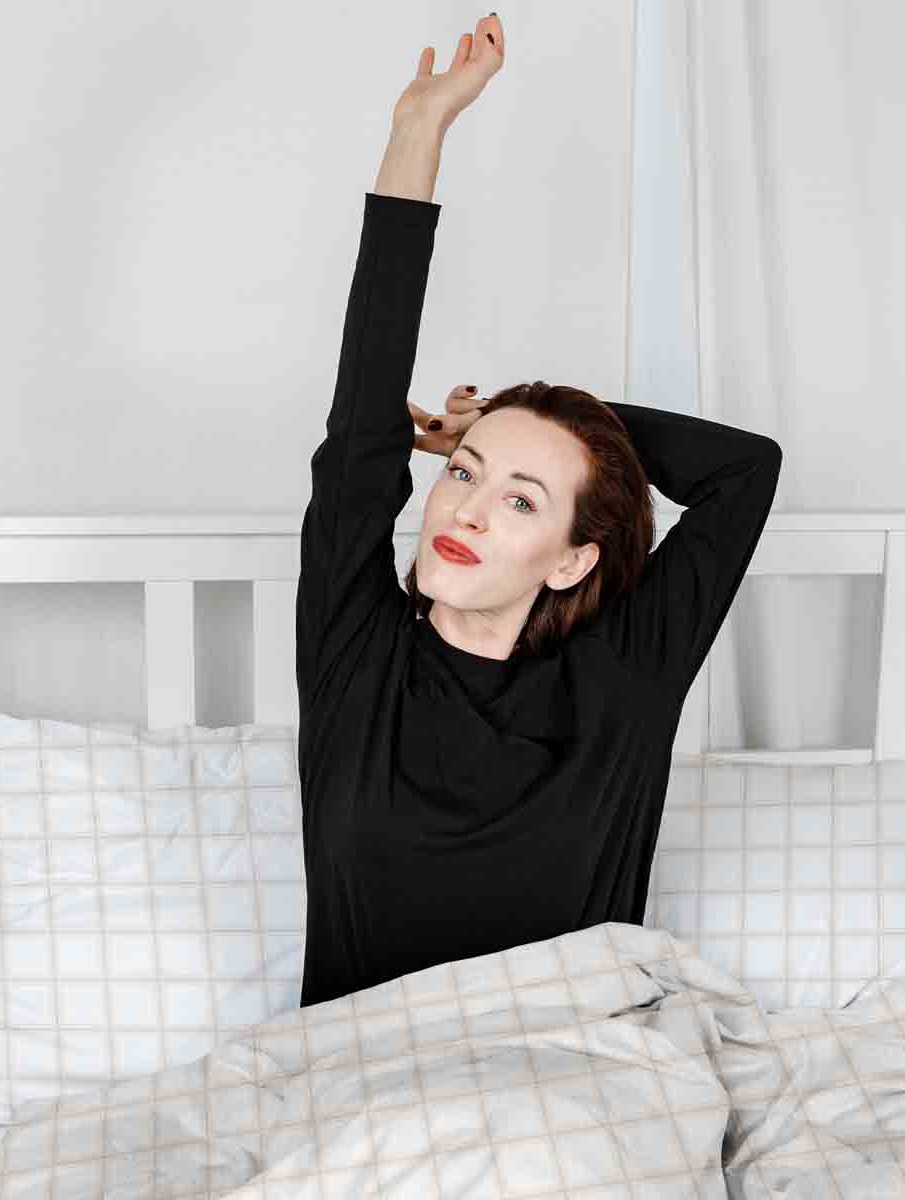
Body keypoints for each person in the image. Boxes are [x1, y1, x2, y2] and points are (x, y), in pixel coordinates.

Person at [296, 14, 783, 1006]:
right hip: (366, 1083)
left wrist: (530, 419)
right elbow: (362, 417)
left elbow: (746, 470)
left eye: (520, 499)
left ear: (572, 558)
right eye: (464, 474)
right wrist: (420, 130)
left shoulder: (624, 679)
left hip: (577, 1079)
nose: (467, 511)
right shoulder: (357, 653)